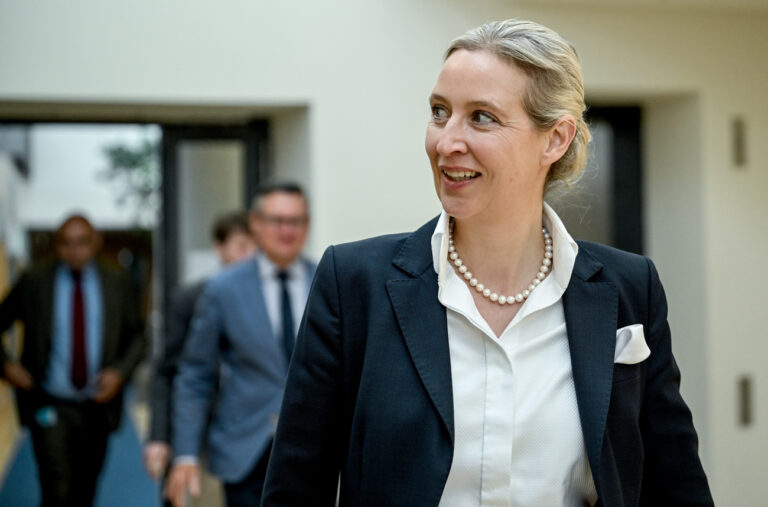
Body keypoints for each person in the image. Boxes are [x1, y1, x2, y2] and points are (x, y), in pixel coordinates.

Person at [262, 20, 713, 506]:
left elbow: (677, 486)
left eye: (482, 118)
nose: (446, 142)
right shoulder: (353, 284)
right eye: (440, 112)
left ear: (555, 140)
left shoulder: (629, 289)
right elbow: (294, 488)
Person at [165, 183, 316, 507]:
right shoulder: (223, 288)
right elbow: (195, 374)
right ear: (256, 223)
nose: (286, 230)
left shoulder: (328, 280)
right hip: (245, 450)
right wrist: (186, 453)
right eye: (277, 220)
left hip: (314, 452)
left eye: (296, 221)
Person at [0, 214, 146, 506]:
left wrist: (119, 373)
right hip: (49, 401)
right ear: (57, 246)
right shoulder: (35, 280)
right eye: (66, 243)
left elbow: (138, 338)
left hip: (97, 406)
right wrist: (7, 365)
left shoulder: (116, 281)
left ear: (96, 242)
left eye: (82, 242)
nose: (74, 250)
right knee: (56, 487)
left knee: (86, 485)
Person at [143, 211, 256, 485]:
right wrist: (159, 434)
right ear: (219, 249)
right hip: (201, 432)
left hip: (252, 435)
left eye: (256, 247)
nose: (250, 255)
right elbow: (168, 371)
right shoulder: (191, 299)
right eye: (241, 246)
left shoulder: (272, 303)